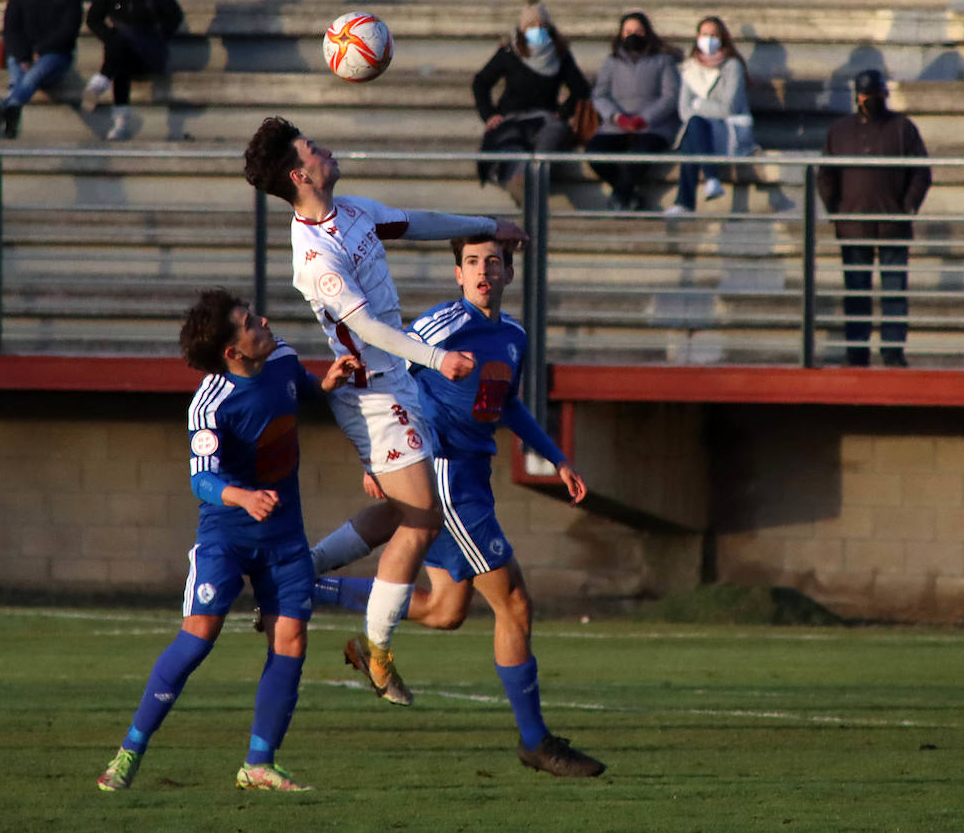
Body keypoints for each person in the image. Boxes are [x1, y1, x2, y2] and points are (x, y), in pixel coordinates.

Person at [243, 115, 526, 708]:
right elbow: (367, 327)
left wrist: (486, 226)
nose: (325, 149)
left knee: (402, 513)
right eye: (312, 149)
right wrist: (437, 357)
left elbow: (416, 222)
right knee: (421, 519)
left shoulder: (351, 211)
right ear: (299, 175)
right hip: (373, 391)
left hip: (396, 383)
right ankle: (376, 653)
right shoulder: (314, 255)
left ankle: (292, 576)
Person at [313, 234, 605, 777]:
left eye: (493, 262)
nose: (483, 271)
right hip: (444, 475)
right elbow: (382, 373)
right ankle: (536, 742)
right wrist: (380, 454)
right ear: (458, 274)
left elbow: (508, 403)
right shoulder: (440, 327)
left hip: (474, 475)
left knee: (446, 612)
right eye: (472, 262)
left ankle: (305, 589)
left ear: (509, 274)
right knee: (513, 603)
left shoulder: (513, 335)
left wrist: (557, 457)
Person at [94, 288, 358, 794]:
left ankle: (259, 763)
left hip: (284, 534)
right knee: (198, 637)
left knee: (291, 639)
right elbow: (201, 478)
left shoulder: (281, 356)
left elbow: (299, 389)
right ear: (233, 351)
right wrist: (244, 497)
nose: (264, 321)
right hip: (228, 535)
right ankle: (129, 751)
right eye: (250, 322)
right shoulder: (210, 404)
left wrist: (326, 382)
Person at [818, 69, 931, 367]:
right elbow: (826, 174)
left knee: (894, 291)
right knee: (856, 291)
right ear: (857, 96)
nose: (870, 99)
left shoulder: (903, 128)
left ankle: (893, 352)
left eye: (875, 94)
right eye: (865, 94)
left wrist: (907, 208)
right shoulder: (840, 130)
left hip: (893, 225)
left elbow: (921, 172)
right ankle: (857, 351)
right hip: (853, 225)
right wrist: (836, 211)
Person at [472, 0, 590, 200]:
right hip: (511, 117)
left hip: (544, 118)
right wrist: (489, 115)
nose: (537, 29)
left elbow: (581, 89)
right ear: (522, 29)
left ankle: (533, 180)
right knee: (510, 141)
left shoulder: (560, 55)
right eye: (531, 25)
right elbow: (480, 82)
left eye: (541, 25)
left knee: (554, 132)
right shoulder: (510, 53)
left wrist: (562, 112)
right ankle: (521, 183)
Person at [81, 0, 185, 141]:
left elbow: (175, 16)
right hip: (122, 52)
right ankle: (121, 125)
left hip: (150, 51)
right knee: (119, 52)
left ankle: (100, 83)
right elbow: (93, 19)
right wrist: (108, 37)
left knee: (120, 39)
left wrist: (160, 35)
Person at [585, 11, 681, 210]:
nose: (633, 35)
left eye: (638, 31)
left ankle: (620, 198)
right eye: (628, 31)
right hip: (616, 126)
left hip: (653, 127)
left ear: (647, 33)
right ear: (621, 34)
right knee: (594, 153)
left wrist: (644, 118)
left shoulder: (663, 61)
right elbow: (600, 95)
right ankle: (628, 193)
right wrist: (616, 117)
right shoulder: (611, 62)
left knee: (640, 155)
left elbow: (670, 96)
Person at [668, 15, 753, 214]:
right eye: (705, 34)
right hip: (700, 130)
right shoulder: (690, 68)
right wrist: (704, 109)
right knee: (694, 125)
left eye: (714, 35)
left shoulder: (732, 66)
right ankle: (711, 179)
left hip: (729, 129)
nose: (709, 39)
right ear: (697, 37)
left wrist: (699, 104)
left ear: (722, 38)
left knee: (693, 128)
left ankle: (685, 202)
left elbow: (729, 108)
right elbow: (684, 111)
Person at [0, 0, 81, 139]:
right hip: (23, 53)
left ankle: (10, 104)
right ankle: (12, 114)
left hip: (55, 55)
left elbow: (69, 30)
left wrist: (40, 51)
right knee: (20, 69)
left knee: (34, 74)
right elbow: (11, 27)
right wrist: (24, 55)